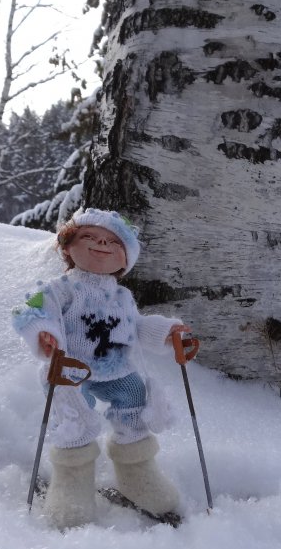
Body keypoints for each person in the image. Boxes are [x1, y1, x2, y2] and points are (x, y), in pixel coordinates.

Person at [12, 208, 190, 529]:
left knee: (135, 399)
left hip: (116, 369)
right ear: (67, 247)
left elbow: (136, 327)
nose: (101, 244)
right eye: (89, 237)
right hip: (70, 370)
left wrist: (168, 333)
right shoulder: (60, 289)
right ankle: (72, 480)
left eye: (112, 241)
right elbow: (33, 310)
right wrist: (45, 334)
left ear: (125, 260)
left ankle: (136, 473)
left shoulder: (122, 296)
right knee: (74, 417)